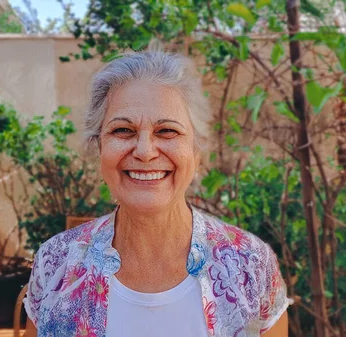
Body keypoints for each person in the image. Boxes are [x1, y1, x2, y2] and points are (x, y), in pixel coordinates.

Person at [23, 48, 291, 337]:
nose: (145, 152)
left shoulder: (251, 265)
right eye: (123, 130)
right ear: (99, 147)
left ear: (195, 151)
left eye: (167, 131)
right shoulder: (57, 263)